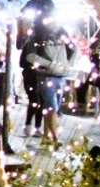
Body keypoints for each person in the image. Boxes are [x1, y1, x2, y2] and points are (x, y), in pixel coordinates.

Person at [23, 16, 75, 144]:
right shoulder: (37, 36)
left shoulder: (62, 34)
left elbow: (75, 49)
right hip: (45, 76)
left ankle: (46, 136)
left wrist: (68, 64)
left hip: (60, 75)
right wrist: (50, 65)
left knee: (51, 107)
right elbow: (30, 56)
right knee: (52, 107)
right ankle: (55, 137)